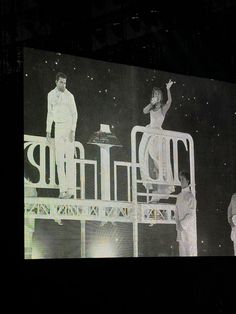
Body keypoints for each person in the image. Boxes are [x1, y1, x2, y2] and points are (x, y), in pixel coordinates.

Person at [138, 79, 175, 203]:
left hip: (158, 137)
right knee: (150, 163)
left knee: (159, 164)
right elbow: (144, 111)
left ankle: (158, 193)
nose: (156, 96)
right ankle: (154, 192)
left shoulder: (163, 109)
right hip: (149, 135)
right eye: (154, 94)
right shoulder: (152, 107)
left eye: (158, 94)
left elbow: (170, 101)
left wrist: (168, 89)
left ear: (161, 96)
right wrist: (150, 103)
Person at [46, 72, 78, 199]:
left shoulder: (70, 96)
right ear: (56, 82)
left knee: (69, 160)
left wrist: (73, 130)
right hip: (58, 127)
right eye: (61, 82)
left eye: (65, 82)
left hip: (68, 128)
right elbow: (50, 113)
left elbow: (75, 114)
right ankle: (62, 190)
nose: (63, 85)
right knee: (59, 160)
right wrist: (48, 130)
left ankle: (71, 190)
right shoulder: (50, 95)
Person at [175, 170, 196, 256]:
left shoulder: (190, 196)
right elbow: (176, 213)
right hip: (180, 232)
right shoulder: (179, 196)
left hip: (189, 232)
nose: (181, 182)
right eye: (180, 179)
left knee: (190, 253)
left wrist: (182, 225)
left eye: (183, 179)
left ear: (188, 181)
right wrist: (178, 226)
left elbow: (191, 215)